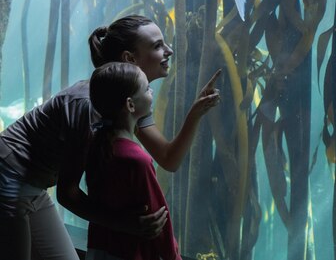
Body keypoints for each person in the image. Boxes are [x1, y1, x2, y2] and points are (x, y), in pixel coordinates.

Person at [0, 14, 221, 259]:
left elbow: (168, 158)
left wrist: (195, 114)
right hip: (9, 177)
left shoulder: (128, 103)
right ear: (129, 58)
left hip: (34, 187)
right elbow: (67, 193)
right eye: (157, 45)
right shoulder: (90, 105)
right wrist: (126, 224)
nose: (169, 50)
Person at [86, 62, 180, 260]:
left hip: (100, 250)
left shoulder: (97, 144)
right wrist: (174, 257)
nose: (152, 92)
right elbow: (159, 217)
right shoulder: (136, 160)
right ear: (130, 104)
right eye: (146, 88)